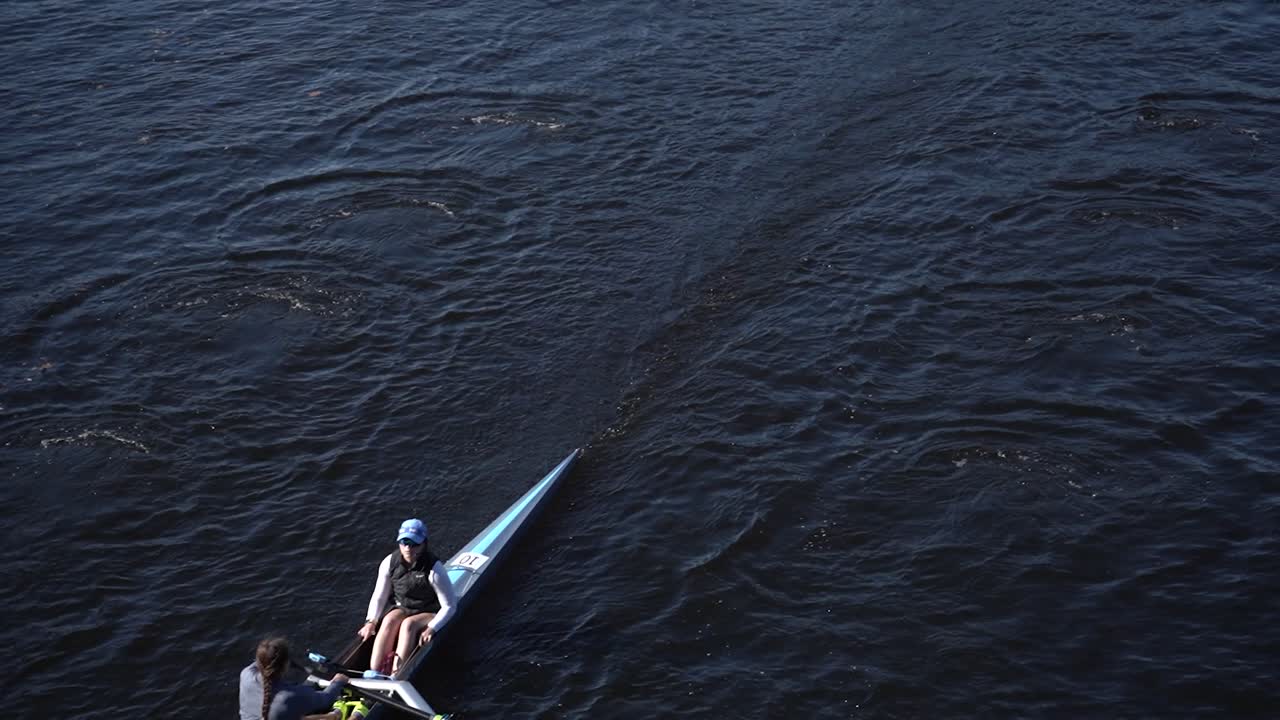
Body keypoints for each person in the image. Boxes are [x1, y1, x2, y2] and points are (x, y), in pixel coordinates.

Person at [357, 518, 457, 674]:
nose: (408, 548)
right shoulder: (389, 563)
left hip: (429, 610)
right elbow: (379, 596)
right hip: (403, 606)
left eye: (414, 543)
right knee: (388, 620)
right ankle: (374, 672)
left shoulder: (435, 570)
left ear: (424, 544)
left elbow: (450, 606)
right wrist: (371, 621)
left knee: (408, 625)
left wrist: (432, 628)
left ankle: (396, 674)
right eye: (404, 542)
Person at [238, 636, 350, 720]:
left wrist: (284, 661)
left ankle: (332, 715)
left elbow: (265, 662)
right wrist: (338, 682)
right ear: (285, 664)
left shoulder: (246, 674)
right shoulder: (290, 697)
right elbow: (326, 699)